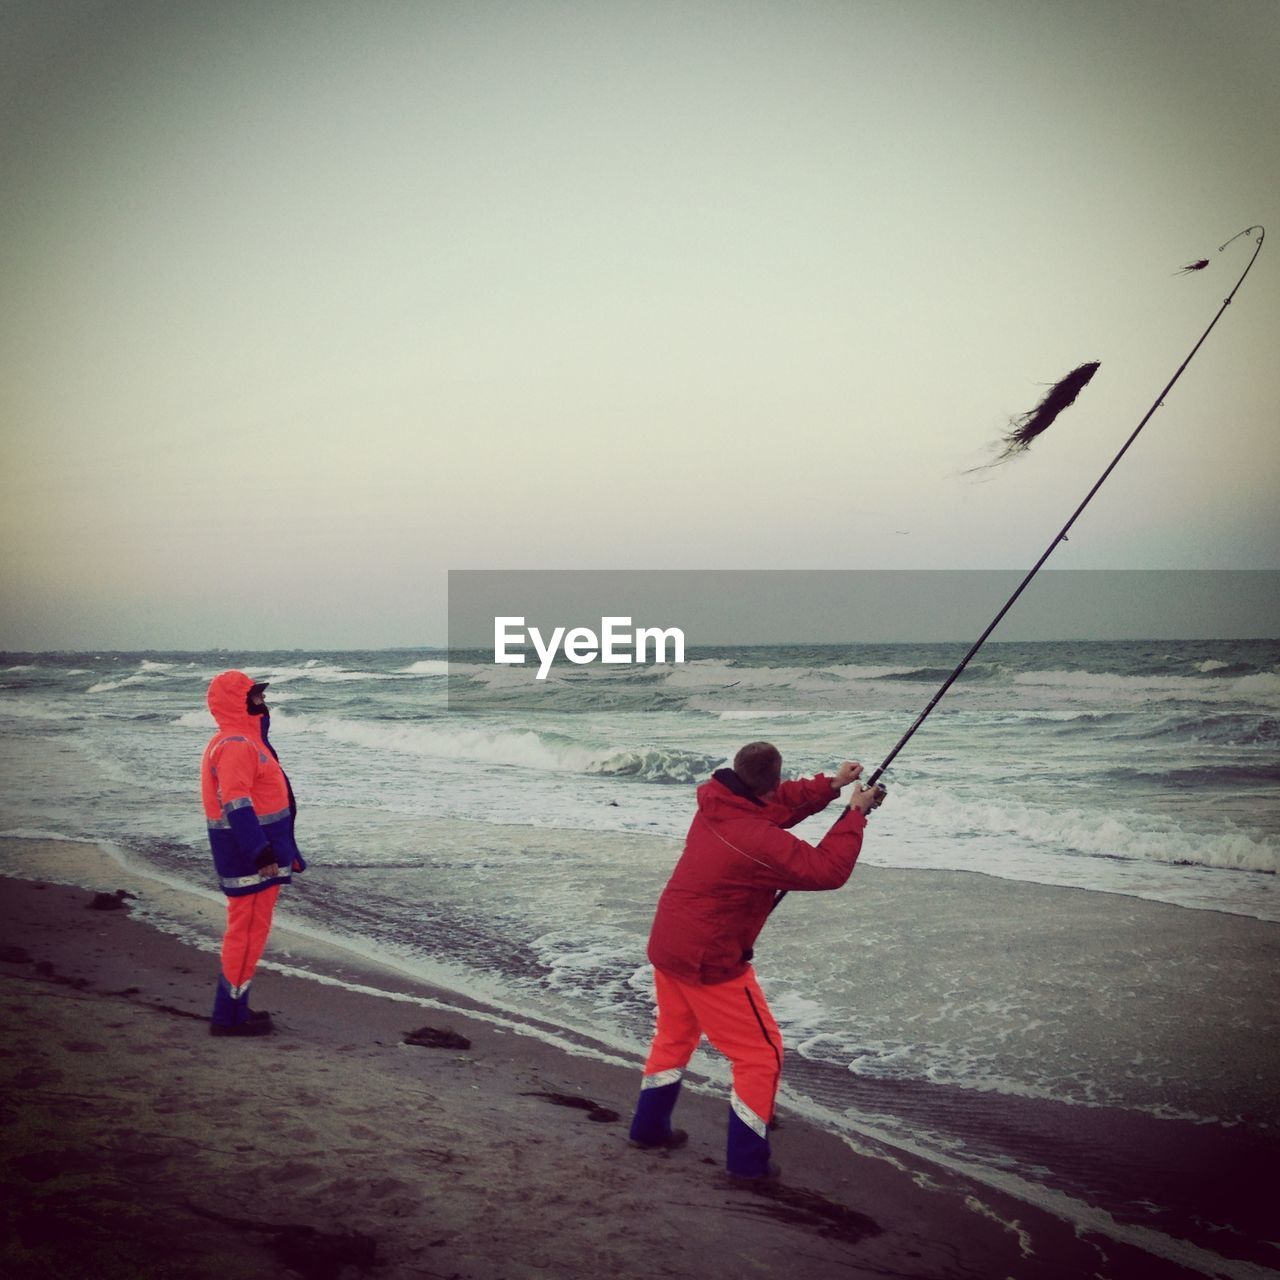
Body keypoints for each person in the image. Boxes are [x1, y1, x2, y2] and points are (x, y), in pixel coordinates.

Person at [627, 741, 884, 1180]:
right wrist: (855, 815)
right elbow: (826, 870)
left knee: (673, 1036)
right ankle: (748, 1164)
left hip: (670, 942)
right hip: (709, 959)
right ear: (770, 781)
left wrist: (833, 785)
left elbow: (774, 808)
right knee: (760, 1055)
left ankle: (648, 1128)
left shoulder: (719, 802)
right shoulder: (755, 837)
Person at [200, 670, 306, 1037]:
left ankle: (235, 1008)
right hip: (251, 859)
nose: (263, 702)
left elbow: (267, 802)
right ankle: (228, 1018)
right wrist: (260, 851)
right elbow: (236, 802)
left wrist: (281, 850)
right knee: (245, 935)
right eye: (256, 697)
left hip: (262, 855)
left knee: (251, 933)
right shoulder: (236, 745)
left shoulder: (247, 740)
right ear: (238, 702)